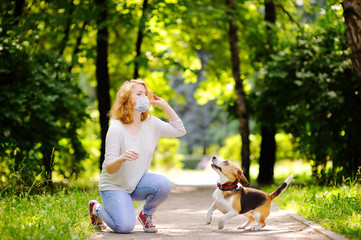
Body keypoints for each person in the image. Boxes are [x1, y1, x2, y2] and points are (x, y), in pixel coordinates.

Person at [88, 79, 186, 234]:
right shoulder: (116, 128)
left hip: (136, 183)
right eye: (139, 94)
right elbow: (109, 168)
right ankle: (96, 208)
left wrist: (164, 105)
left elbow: (180, 131)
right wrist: (121, 158)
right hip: (114, 186)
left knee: (164, 184)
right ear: (127, 99)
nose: (144, 98)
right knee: (125, 227)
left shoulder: (151, 123)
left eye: (145, 94)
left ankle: (146, 214)